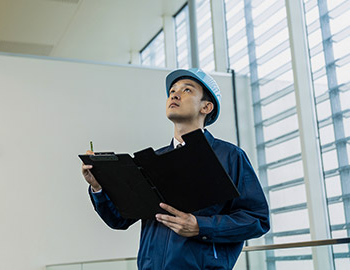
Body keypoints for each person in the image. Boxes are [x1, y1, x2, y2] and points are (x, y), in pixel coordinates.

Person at [81, 68, 270, 269]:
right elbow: (119, 220)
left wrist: (199, 226)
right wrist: (98, 187)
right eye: (172, 91)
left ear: (206, 107)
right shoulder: (154, 161)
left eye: (187, 90)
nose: (175, 94)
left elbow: (257, 219)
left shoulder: (229, 156)